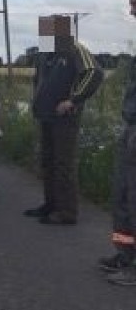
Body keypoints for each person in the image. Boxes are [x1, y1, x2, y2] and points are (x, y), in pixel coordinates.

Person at [23, 14, 102, 225]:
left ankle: (67, 212)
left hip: (65, 118)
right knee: (47, 162)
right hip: (45, 115)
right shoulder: (44, 53)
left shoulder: (75, 48)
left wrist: (72, 100)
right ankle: (51, 204)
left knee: (63, 164)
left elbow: (94, 73)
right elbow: (38, 79)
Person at [100, 0, 136, 284]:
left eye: (135, 3)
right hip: (131, 127)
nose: (131, 9)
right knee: (123, 194)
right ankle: (124, 256)